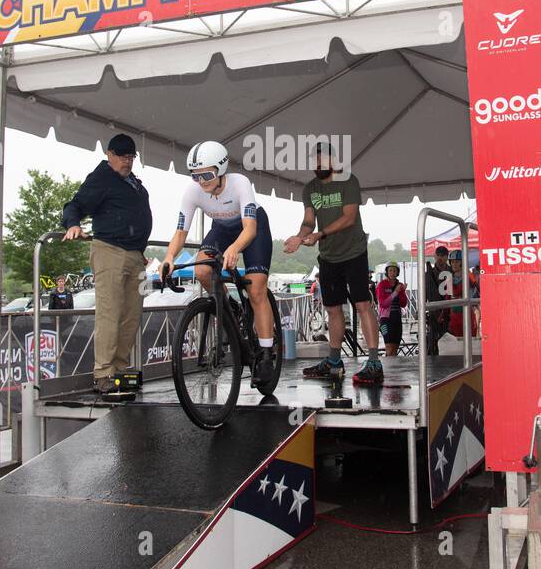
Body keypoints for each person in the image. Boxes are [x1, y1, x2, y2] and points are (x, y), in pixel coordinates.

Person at [162, 140, 276, 386]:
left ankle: (266, 353)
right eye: (195, 176)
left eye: (207, 174)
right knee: (202, 269)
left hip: (252, 228)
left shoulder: (240, 183)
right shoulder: (193, 192)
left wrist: (235, 248)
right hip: (222, 229)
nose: (201, 181)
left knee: (256, 290)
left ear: (221, 169)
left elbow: (250, 228)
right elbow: (181, 232)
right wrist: (169, 257)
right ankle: (230, 307)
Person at [62, 133, 153, 396]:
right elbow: (75, 204)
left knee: (132, 315)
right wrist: (73, 224)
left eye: (131, 157)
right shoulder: (101, 177)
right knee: (109, 313)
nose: (127, 162)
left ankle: (121, 369)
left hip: (135, 255)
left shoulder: (132, 181)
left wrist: (140, 248)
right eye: (123, 157)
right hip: (109, 252)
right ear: (109, 155)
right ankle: (103, 372)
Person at [284, 141, 381, 385]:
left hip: (354, 252)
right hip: (328, 257)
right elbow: (309, 221)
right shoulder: (310, 189)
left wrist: (320, 234)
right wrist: (299, 236)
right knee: (333, 309)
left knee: (362, 304)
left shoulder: (349, 181)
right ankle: (334, 361)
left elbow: (349, 218)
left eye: (323, 160)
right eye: (314, 161)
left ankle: (374, 363)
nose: (318, 164)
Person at [423, 245, 452, 355]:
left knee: (450, 340)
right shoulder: (428, 274)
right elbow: (424, 292)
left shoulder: (452, 271)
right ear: (434, 256)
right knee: (433, 341)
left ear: (446, 257)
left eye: (443, 256)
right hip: (434, 313)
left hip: (450, 312)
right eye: (438, 255)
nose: (440, 258)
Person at [375, 262, 408, 357]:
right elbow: (383, 304)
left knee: (395, 349)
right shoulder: (382, 284)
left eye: (394, 271)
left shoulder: (399, 284)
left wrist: (402, 292)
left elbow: (403, 303)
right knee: (389, 348)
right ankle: (388, 370)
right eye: (390, 270)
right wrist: (396, 292)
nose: (392, 273)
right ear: (387, 272)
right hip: (385, 320)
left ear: (397, 272)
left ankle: (393, 370)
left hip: (397, 319)